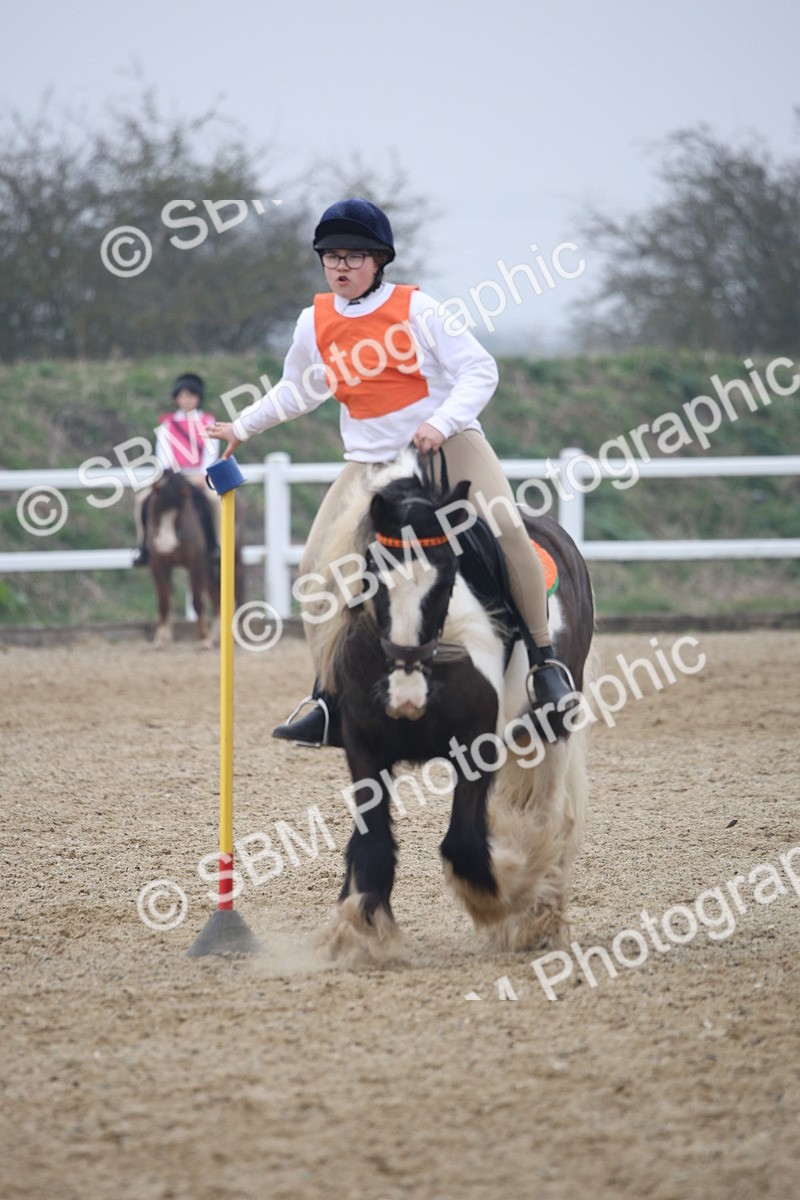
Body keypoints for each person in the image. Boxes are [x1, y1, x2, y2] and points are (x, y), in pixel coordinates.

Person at [208, 198, 576, 746]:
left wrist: (443, 420)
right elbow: (299, 388)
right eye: (331, 256)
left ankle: (545, 665)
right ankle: (329, 698)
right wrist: (242, 426)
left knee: (509, 533)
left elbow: (480, 369)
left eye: (353, 256)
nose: (340, 266)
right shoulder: (314, 321)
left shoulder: (420, 310)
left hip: (446, 447)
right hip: (371, 465)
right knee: (314, 569)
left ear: (379, 261)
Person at [133, 372, 221, 567]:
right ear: (176, 399)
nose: (187, 400)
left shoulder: (208, 422)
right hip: (173, 476)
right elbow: (163, 454)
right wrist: (171, 476)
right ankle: (143, 547)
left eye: (191, 395)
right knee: (142, 500)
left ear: (198, 398)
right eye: (182, 396)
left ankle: (216, 546)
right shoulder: (167, 424)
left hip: (198, 475)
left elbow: (211, 450)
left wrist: (203, 474)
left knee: (215, 501)